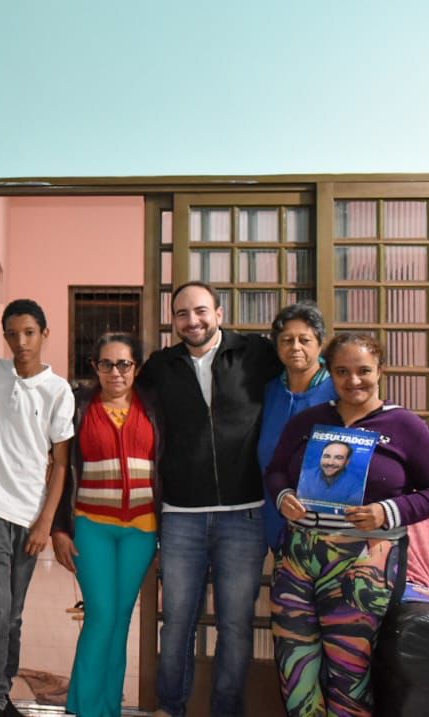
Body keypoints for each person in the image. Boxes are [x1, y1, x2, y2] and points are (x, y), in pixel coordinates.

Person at [265, 333, 429, 717]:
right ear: (330, 373)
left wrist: (388, 511)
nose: (354, 381)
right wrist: (284, 498)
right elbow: (276, 471)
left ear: (380, 371)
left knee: (349, 669)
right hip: (299, 560)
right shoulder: (310, 421)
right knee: (293, 666)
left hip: (366, 563)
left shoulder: (404, 425)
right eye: (342, 371)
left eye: (364, 371)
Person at [137, 281, 281, 717]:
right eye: (182, 314)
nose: (192, 321)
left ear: (219, 313)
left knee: (235, 626)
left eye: (201, 311)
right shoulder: (161, 366)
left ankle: (226, 711)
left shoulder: (257, 354)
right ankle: (171, 707)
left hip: (245, 515)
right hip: (181, 516)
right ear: (174, 320)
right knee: (177, 621)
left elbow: (303, 381)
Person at [0, 299, 75, 717]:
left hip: (30, 517)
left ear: (44, 334)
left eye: (29, 332)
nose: (20, 341)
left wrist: (45, 522)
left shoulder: (58, 390)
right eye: (12, 333)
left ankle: (2, 690)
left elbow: (62, 463)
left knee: (12, 613)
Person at [51, 332, 158, 717]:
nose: (115, 372)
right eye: (106, 364)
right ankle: (87, 709)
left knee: (121, 619)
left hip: (142, 531)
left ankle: (105, 706)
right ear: (94, 368)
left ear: (136, 368)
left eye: (124, 364)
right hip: (92, 526)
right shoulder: (78, 405)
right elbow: (61, 469)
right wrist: (59, 528)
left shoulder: (153, 406)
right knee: (101, 615)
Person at [256, 301, 337, 553]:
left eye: (305, 340)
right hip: (272, 512)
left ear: (320, 343)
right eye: (287, 340)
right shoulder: (268, 391)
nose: (295, 347)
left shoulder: (338, 391)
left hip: (327, 523)